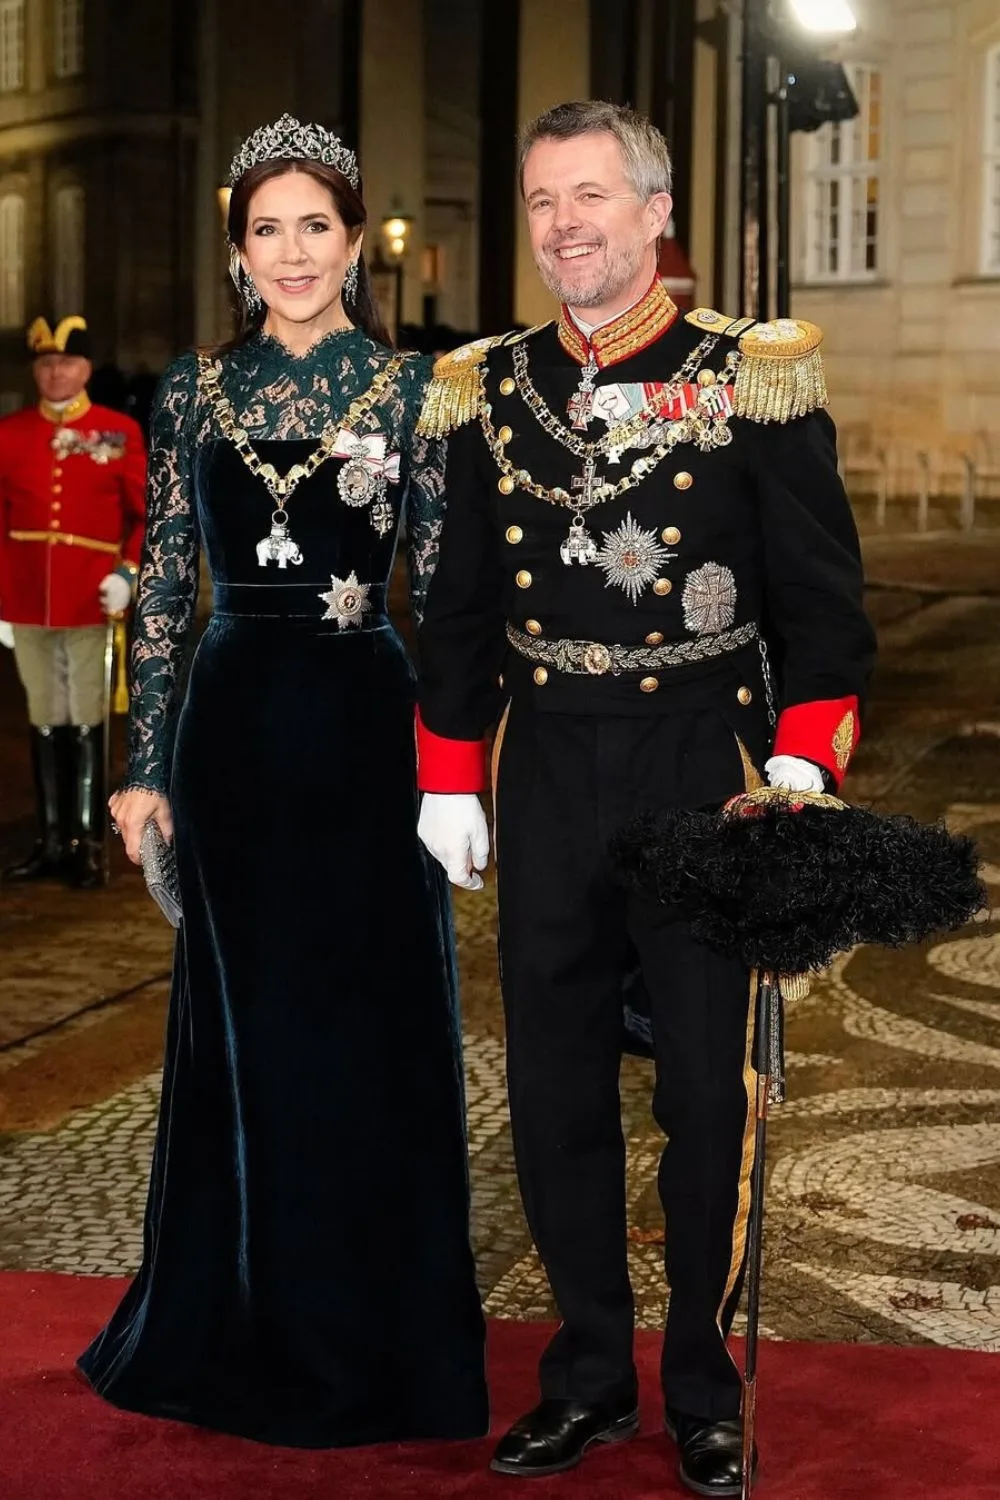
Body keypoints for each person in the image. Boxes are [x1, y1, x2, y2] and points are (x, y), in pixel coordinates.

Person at [414, 100, 876, 1496]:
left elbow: (826, 609)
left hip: (701, 770)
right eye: (544, 199)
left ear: (656, 214)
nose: (565, 225)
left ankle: (702, 1385)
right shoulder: (486, 387)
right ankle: (591, 1376)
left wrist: (804, 756)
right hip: (548, 765)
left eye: (594, 196)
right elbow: (457, 611)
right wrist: (447, 771)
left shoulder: (754, 375)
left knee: (704, 1094)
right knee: (553, 1088)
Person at [77, 114, 488, 1448]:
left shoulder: (417, 391)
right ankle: (243, 1315)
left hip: (369, 727)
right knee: (251, 1034)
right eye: (270, 228)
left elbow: (447, 597)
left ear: (358, 243)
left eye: (319, 225)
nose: (295, 250)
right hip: (235, 728)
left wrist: (457, 771)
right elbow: (163, 594)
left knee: (369, 1028)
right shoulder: (192, 390)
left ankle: (378, 1335)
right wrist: (143, 771)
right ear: (239, 249)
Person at [0, 316, 145, 888]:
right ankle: (51, 838)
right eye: (45, 363)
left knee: (85, 717)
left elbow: (142, 513)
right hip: (28, 598)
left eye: (66, 363)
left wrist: (128, 572)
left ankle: (86, 841)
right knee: (44, 716)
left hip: (91, 597)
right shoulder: (11, 432)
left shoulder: (114, 432)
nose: (55, 372)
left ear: (86, 369)